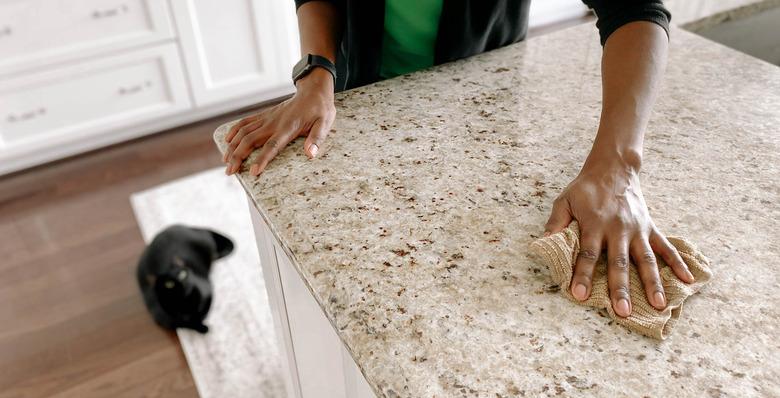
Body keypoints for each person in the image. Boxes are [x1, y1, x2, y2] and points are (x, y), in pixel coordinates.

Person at [222, 0, 695, 319]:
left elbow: (635, 7)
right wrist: (316, 70)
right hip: (361, 96)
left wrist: (619, 164)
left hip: (482, 101)